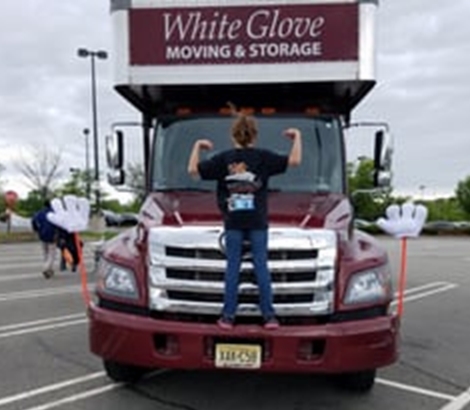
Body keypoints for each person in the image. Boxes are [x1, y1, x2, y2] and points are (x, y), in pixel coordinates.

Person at [187, 112, 302, 330]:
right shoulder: (263, 157)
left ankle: (228, 316)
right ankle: (269, 316)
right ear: (255, 136)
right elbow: (295, 161)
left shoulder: (224, 159)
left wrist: (197, 146)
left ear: (233, 136)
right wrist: (297, 136)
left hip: (233, 221)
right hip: (257, 221)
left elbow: (193, 170)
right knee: (261, 266)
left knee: (233, 267)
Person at [32, 200, 57, 279]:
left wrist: (36, 230)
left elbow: (33, 222)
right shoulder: (54, 213)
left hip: (42, 235)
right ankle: (46, 269)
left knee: (45, 253)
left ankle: (50, 270)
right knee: (52, 254)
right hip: (52, 236)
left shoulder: (38, 213)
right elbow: (58, 224)